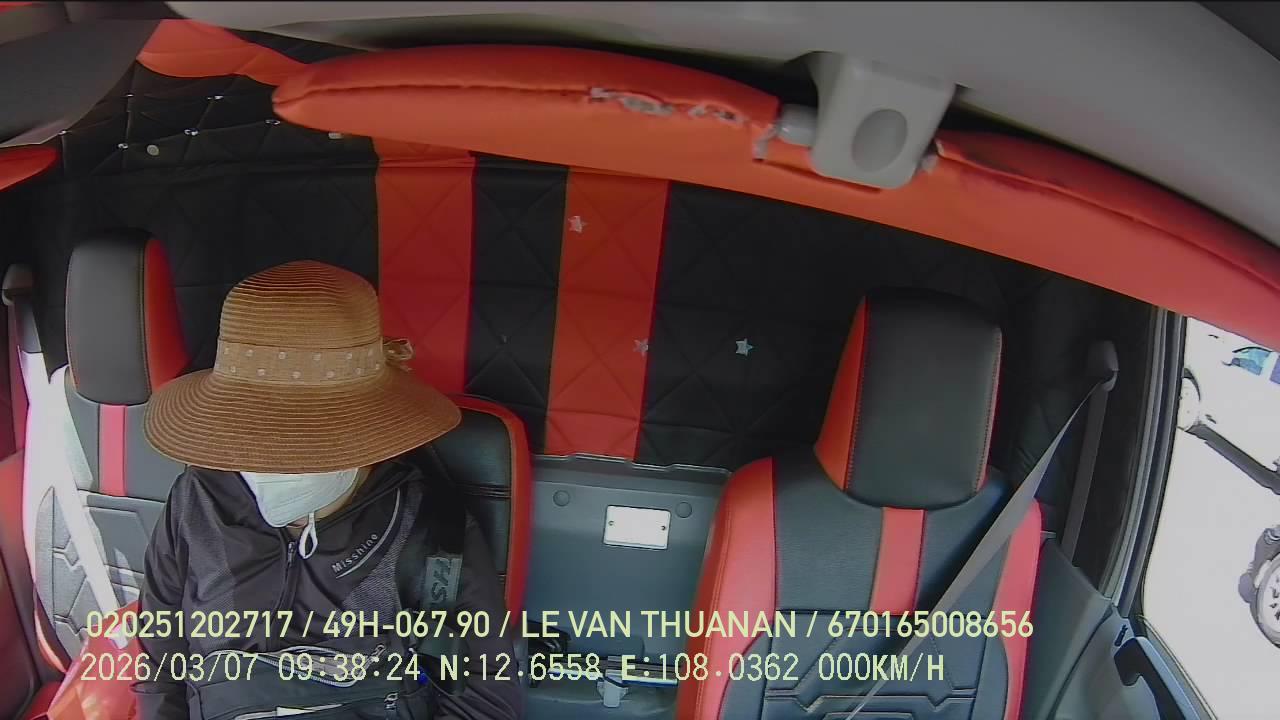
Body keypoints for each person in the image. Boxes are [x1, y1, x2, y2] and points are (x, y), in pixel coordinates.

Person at [132, 261, 523, 719]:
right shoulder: (197, 500)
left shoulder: (431, 527)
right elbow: (160, 656)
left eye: (307, 438)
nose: (277, 459)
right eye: (255, 430)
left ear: (366, 430)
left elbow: (484, 696)